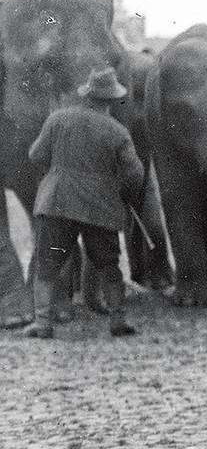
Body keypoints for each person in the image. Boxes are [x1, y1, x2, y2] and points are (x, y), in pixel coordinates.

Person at [24, 66, 146, 339]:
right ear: (112, 101)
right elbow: (135, 173)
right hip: (99, 206)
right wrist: (122, 193)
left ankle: (43, 323)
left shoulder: (57, 119)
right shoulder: (117, 131)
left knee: (48, 264)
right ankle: (117, 320)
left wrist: (57, 170)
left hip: (57, 202)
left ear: (87, 95)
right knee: (108, 264)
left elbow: (35, 156)